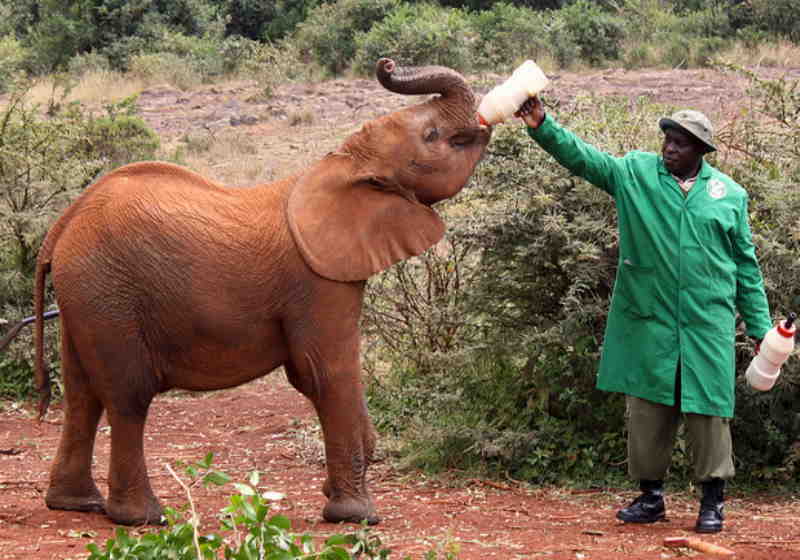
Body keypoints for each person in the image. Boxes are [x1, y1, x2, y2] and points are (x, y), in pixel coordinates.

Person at [515, 96, 772, 534]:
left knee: (709, 410)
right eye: (667, 140)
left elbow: (746, 268)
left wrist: (761, 329)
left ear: (701, 152)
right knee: (648, 410)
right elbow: (585, 160)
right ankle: (650, 497)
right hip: (648, 317)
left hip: (707, 321)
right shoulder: (635, 174)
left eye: (681, 143)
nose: (669, 149)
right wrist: (543, 125)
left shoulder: (729, 195)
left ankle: (712, 502)